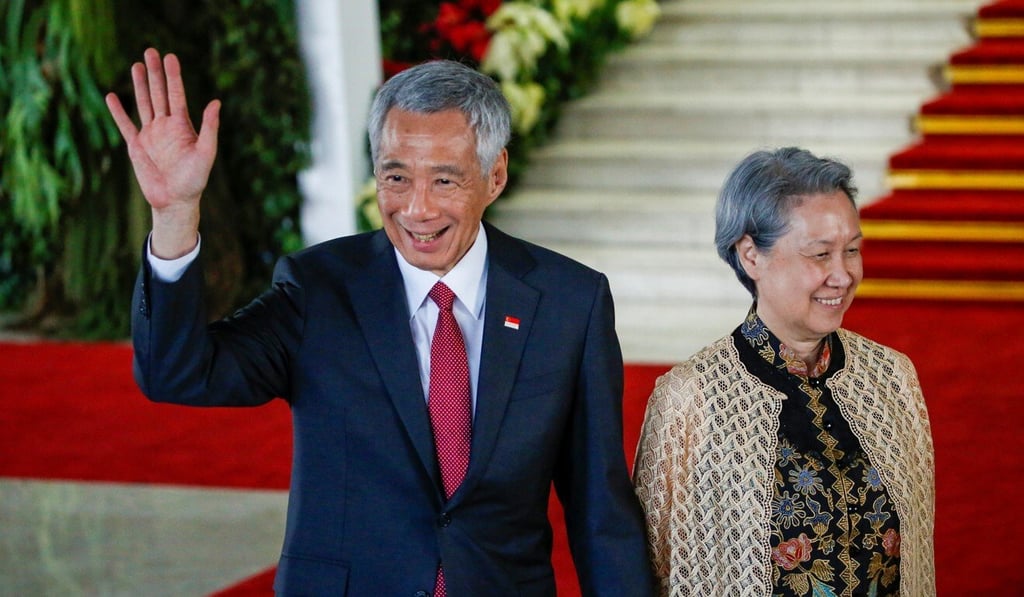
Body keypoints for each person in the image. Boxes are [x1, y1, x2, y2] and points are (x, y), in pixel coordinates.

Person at [106, 48, 654, 596]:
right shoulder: (317, 289)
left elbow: (599, 511)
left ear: (495, 175)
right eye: (397, 177)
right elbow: (177, 373)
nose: (417, 209)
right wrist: (174, 215)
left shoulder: (568, 302)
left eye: (445, 181)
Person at [632, 147, 935, 596]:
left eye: (852, 250)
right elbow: (649, 568)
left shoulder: (891, 377)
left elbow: (918, 561)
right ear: (751, 256)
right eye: (820, 254)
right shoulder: (690, 399)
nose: (843, 275)